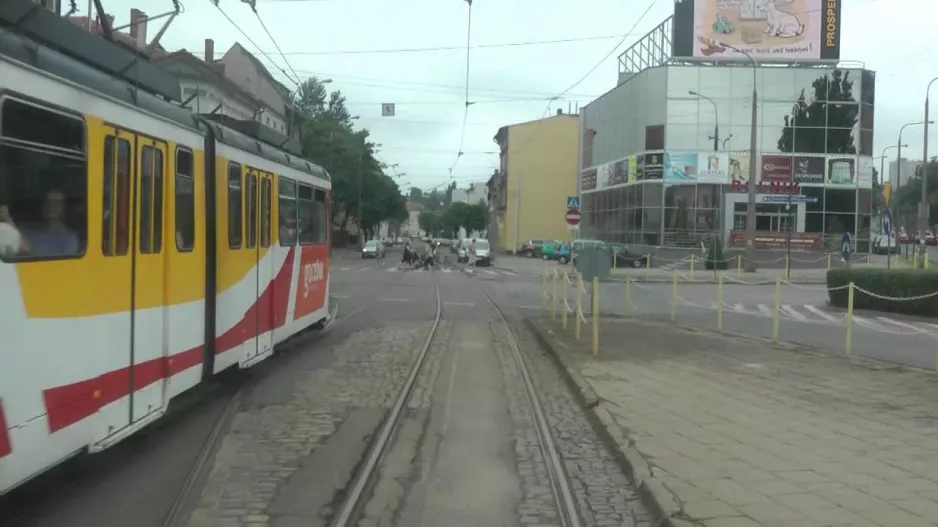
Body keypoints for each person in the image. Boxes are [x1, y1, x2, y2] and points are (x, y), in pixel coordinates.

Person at [1, 189, 78, 258]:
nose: (51, 206)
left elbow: (27, 250)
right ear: (43, 206)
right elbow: (17, 241)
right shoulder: (30, 230)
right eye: (48, 202)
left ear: (63, 208)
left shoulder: (69, 238)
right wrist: (7, 220)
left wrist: (9, 220)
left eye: (57, 203)